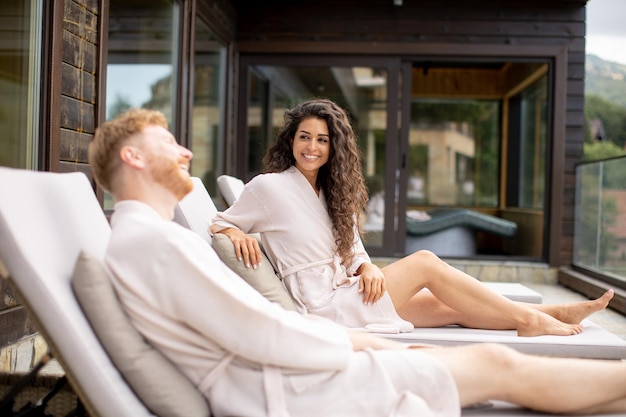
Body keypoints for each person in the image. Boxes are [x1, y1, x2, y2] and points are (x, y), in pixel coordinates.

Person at [89, 107, 626, 417]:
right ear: (132, 158)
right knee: (488, 352)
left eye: (323, 139)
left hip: (308, 349)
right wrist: (365, 343)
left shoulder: (150, 240)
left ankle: (543, 321)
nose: (185, 152)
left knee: (455, 319)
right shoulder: (157, 243)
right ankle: (534, 320)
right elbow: (258, 331)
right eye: (169, 142)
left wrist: (367, 281)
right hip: (289, 377)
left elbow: (254, 325)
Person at [210, 98, 614, 337]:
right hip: (323, 307)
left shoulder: (330, 191)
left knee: (450, 307)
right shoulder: (268, 186)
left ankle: (554, 314)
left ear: (334, 147)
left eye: (322, 139)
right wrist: (233, 229)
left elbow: (353, 248)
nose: (312, 147)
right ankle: (529, 318)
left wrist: (367, 266)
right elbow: (220, 222)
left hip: (350, 289)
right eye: (304, 137)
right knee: (425, 263)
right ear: (291, 140)